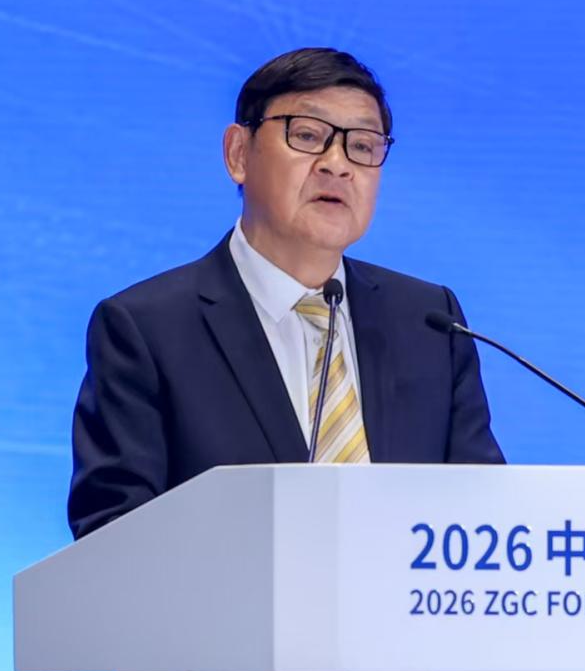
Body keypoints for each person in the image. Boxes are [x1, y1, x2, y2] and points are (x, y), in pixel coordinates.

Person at [67, 47, 504, 539]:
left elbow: (485, 519)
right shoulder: (147, 329)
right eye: (308, 136)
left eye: (362, 146)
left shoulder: (431, 322)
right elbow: (113, 536)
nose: (337, 165)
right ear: (238, 154)